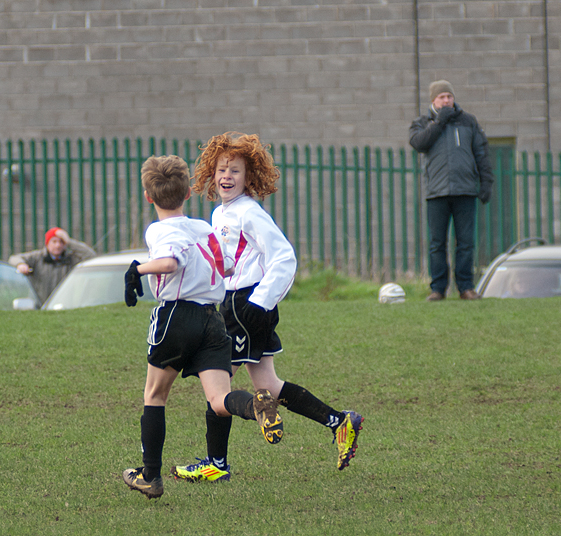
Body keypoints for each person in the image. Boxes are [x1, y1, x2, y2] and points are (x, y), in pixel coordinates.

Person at [171, 132, 363, 483]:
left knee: (217, 383)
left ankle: (216, 463)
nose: (227, 176)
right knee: (269, 384)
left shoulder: (249, 213)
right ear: (211, 173)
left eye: (235, 171)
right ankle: (339, 421)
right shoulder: (220, 212)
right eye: (221, 169)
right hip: (236, 303)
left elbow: (284, 256)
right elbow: (230, 261)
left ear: (249, 177)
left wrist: (260, 303)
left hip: (245, 306)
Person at [121, 154, 284, 500]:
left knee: (155, 395)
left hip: (177, 317)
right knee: (219, 399)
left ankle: (150, 476)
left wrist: (138, 269)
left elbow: (170, 262)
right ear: (187, 193)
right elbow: (226, 266)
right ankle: (255, 405)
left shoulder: (159, 229)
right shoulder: (203, 228)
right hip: (212, 320)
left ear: (148, 197)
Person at [409, 80, 494, 301]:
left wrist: (486, 182)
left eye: (449, 96)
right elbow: (418, 143)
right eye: (442, 97)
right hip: (437, 192)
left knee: (465, 242)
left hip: (465, 190)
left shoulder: (468, 121)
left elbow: (481, 152)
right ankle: (438, 289)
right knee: (437, 243)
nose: (446, 101)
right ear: (433, 100)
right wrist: (439, 122)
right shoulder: (422, 122)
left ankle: (465, 287)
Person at [7, 227, 96, 304]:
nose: (58, 245)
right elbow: (14, 258)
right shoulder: (37, 257)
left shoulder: (71, 259)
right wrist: (21, 264)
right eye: (54, 242)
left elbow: (90, 255)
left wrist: (69, 242)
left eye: (61, 242)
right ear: (47, 244)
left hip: (65, 304)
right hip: (40, 305)